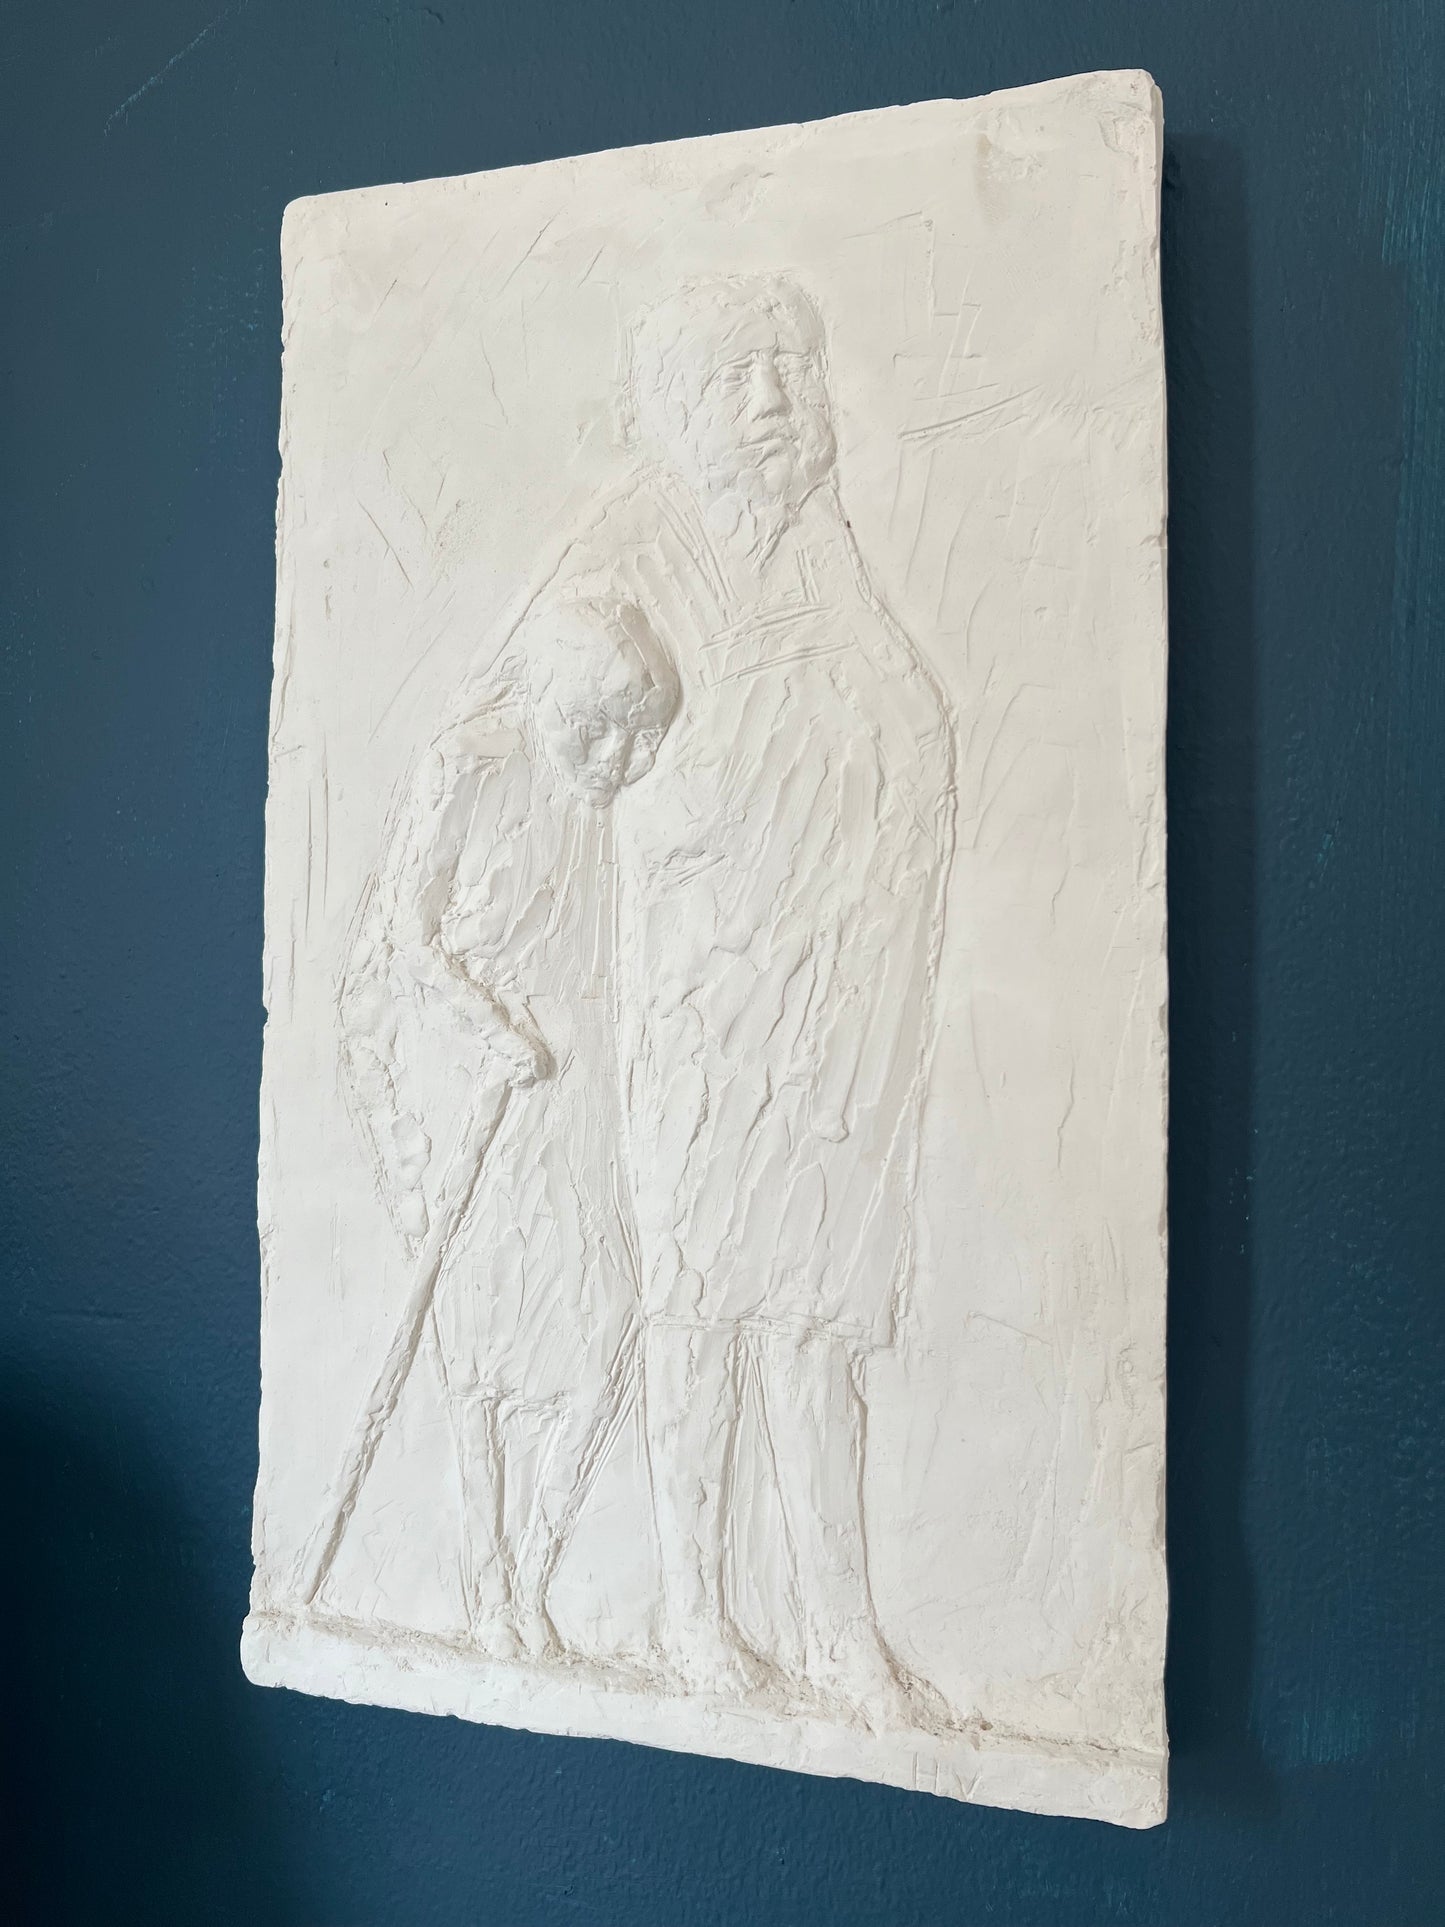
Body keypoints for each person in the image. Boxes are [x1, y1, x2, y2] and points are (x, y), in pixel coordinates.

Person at [535, 276, 958, 1725]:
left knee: (813, 1317)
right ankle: (695, 1612)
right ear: (676, 409)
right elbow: (572, 724)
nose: (776, 398)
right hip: (698, 1006)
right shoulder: (640, 549)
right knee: (699, 1308)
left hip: (824, 1000)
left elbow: (898, 704)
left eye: (789, 367)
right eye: (738, 377)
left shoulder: (815, 542)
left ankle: (835, 1624)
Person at [337, 598, 679, 1658]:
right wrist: (491, 1032)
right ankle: (488, 1585)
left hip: (572, 1108)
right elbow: (405, 934)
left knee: (606, 1328)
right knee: (479, 1352)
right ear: (549, 697)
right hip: (477, 1093)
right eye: (597, 729)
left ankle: (532, 1574)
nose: (619, 759)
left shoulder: (596, 808)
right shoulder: (471, 763)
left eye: (639, 737)